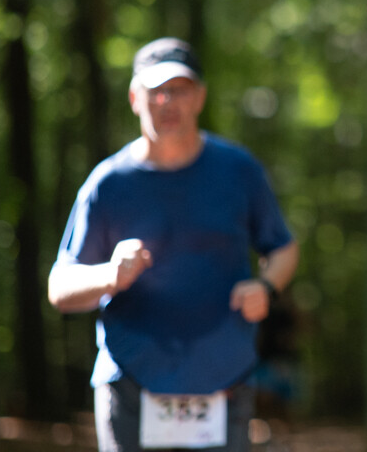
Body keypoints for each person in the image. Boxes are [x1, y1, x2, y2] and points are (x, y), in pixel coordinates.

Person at [49, 37, 299, 452]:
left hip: (224, 377)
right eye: (156, 91)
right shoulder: (107, 184)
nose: (168, 101)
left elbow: (283, 248)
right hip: (130, 379)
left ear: (199, 97)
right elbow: (60, 288)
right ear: (134, 97)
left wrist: (266, 288)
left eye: (179, 90)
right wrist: (108, 275)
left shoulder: (238, 171)